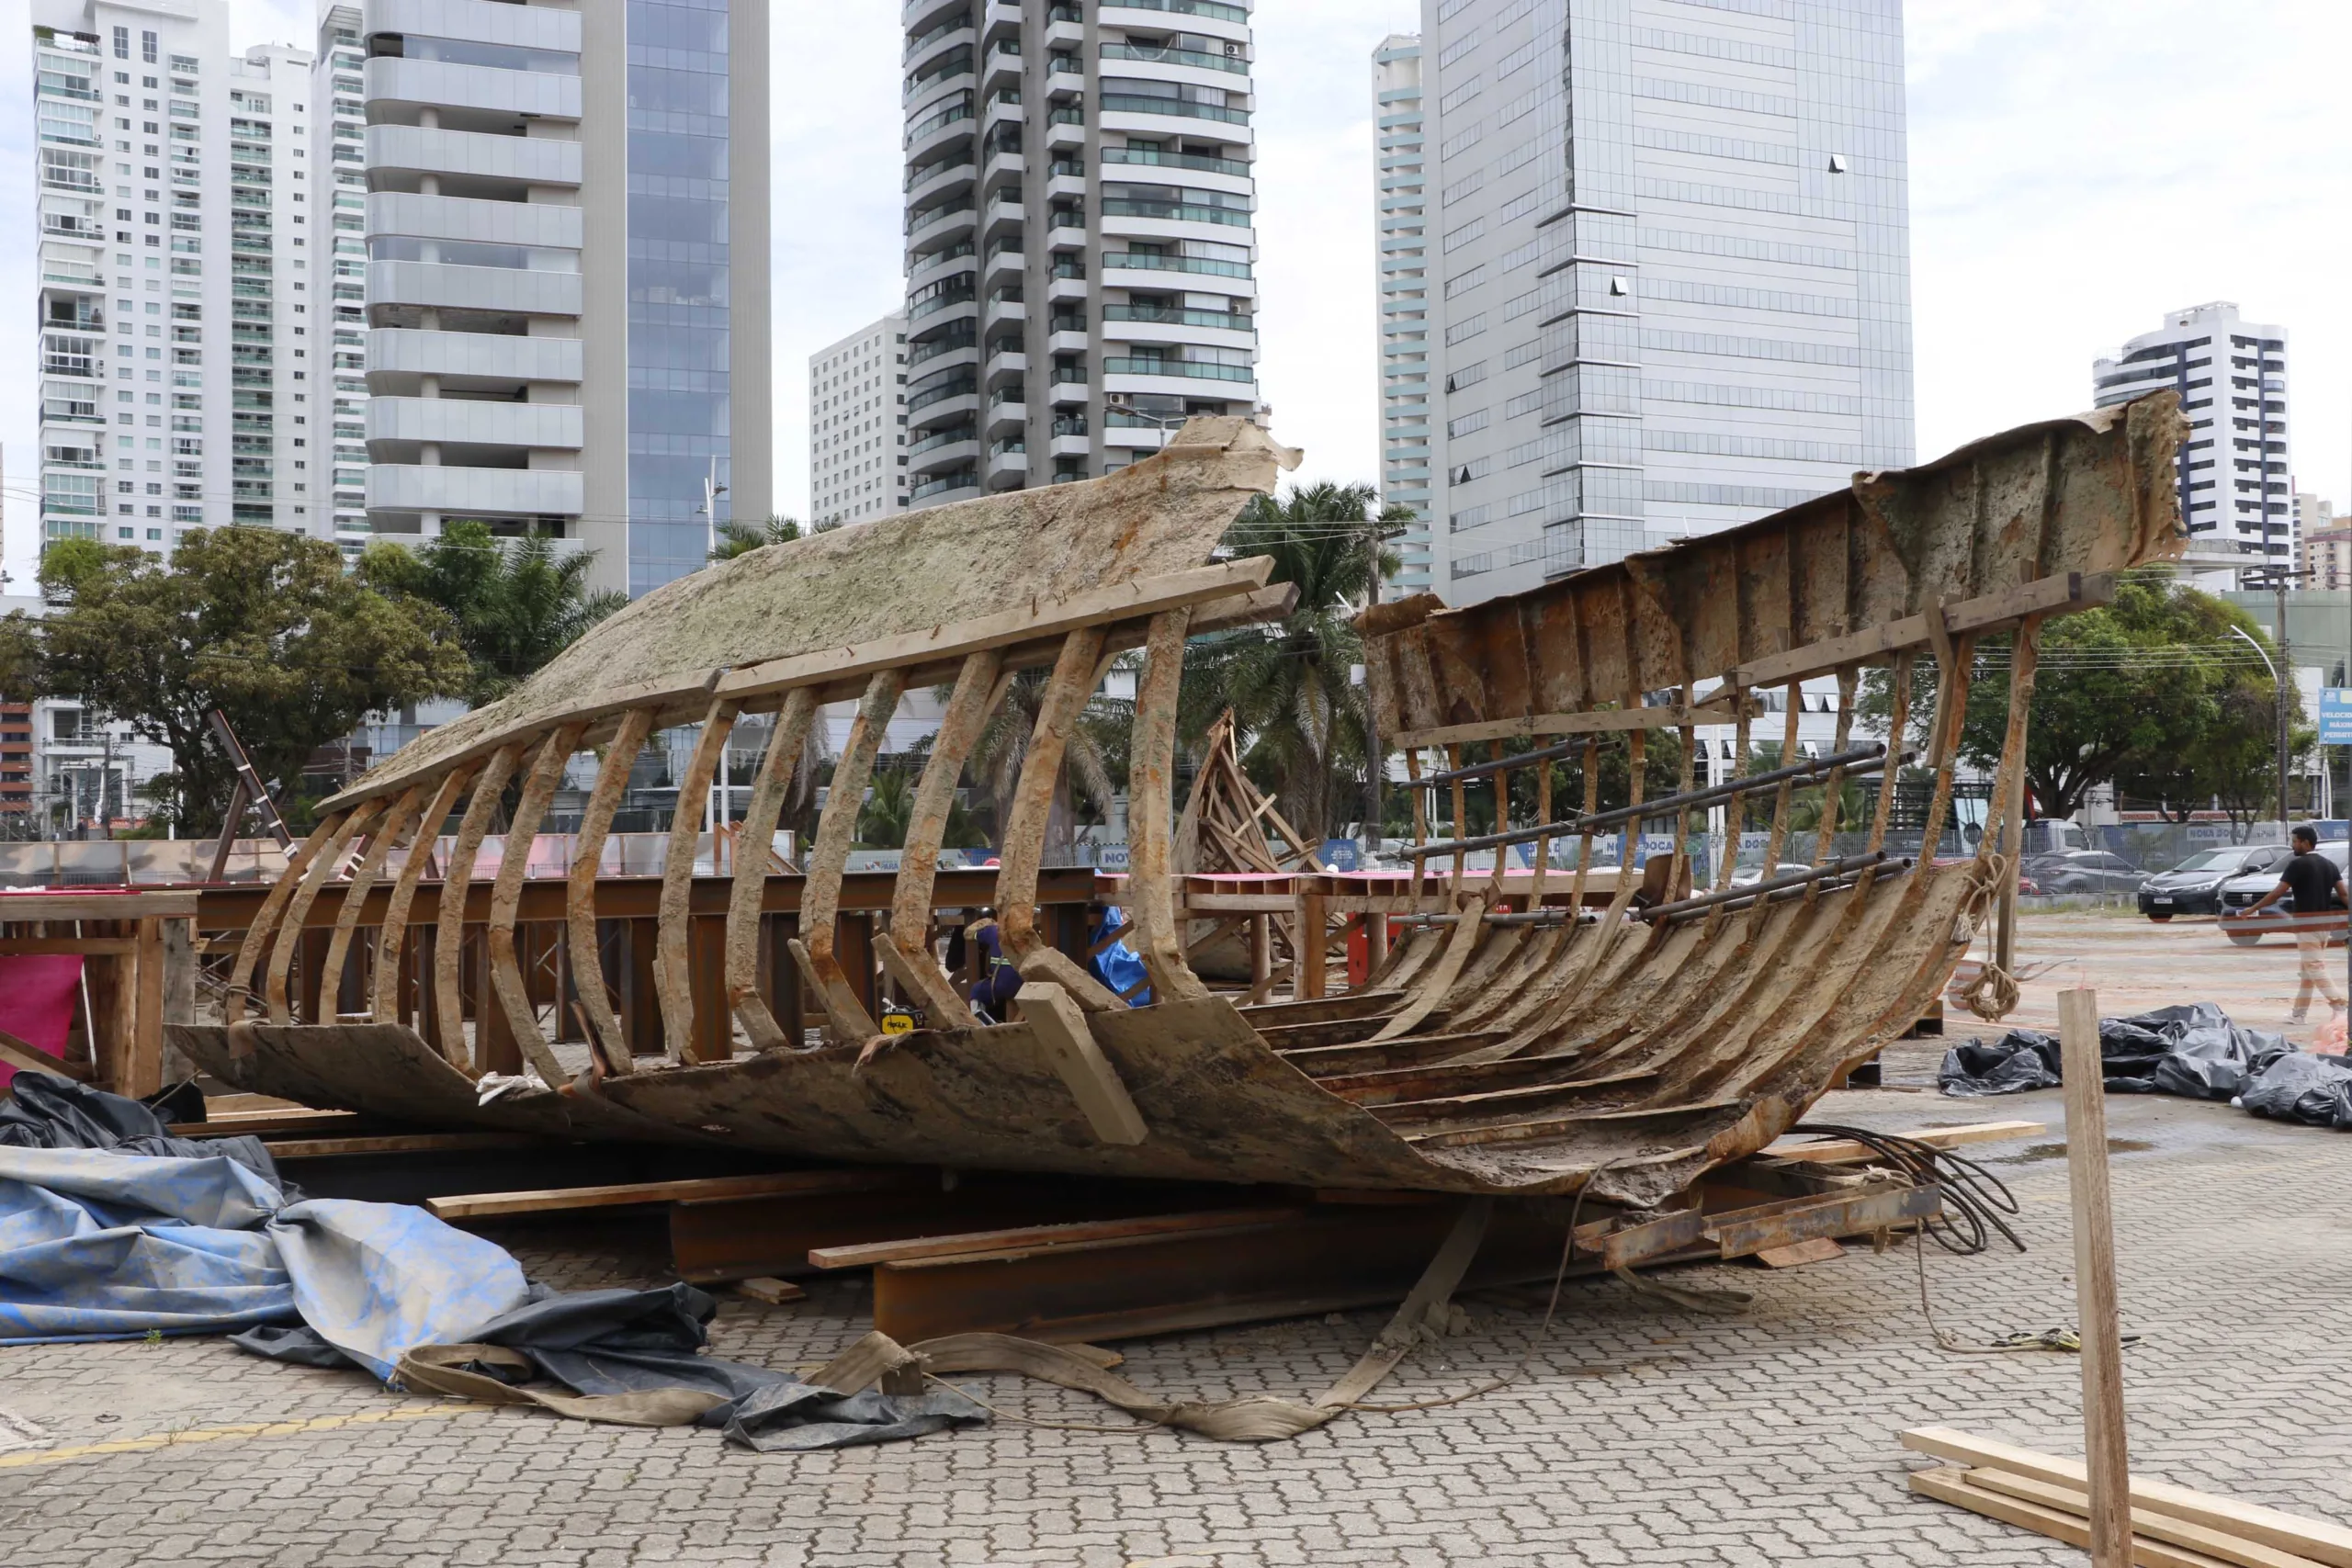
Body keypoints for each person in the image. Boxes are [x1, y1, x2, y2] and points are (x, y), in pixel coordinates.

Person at [2230, 825, 2347, 1024]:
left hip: (2306, 926)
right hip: (2323, 926)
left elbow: (2277, 892)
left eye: (2295, 841)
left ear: (2305, 842)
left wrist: (2250, 910)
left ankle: (2339, 1004)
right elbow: (2344, 894)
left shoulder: (2297, 864)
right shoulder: (2330, 865)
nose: (2292, 845)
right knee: (2308, 971)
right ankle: (2298, 1014)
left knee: (2314, 968)